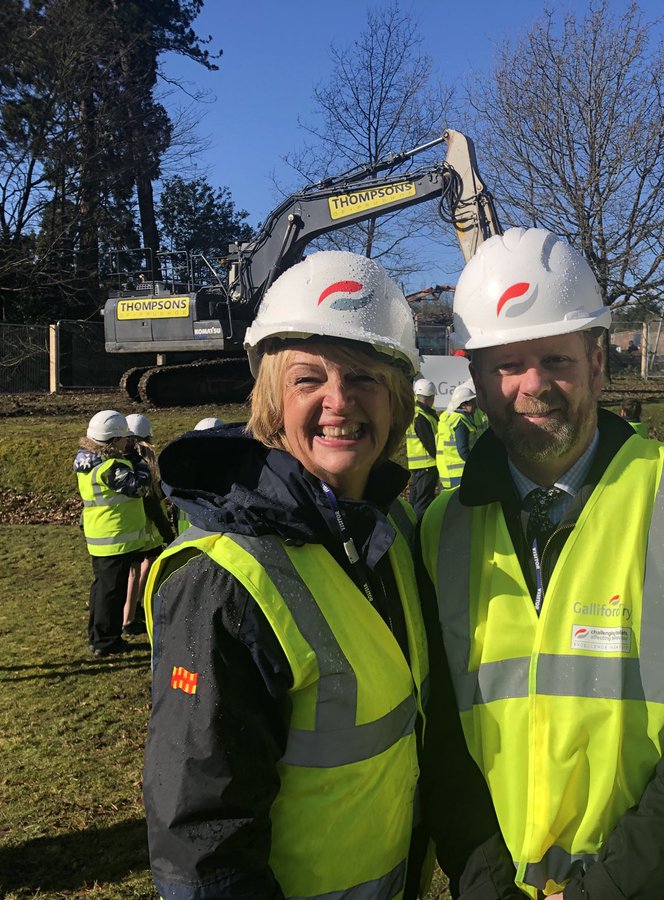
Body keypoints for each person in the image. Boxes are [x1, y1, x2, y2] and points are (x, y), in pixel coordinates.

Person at [419, 227, 664, 899]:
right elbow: (443, 747)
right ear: (475, 379)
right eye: (507, 364)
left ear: (598, 362)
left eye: (555, 359)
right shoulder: (443, 531)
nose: (533, 385)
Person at [143, 250, 430, 899]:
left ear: (397, 400)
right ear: (272, 398)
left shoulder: (391, 533)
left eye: (363, 377)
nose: (338, 401)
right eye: (309, 379)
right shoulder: (224, 581)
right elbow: (203, 846)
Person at [74, 410, 150, 656]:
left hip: (100, 536)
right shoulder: (109, 467)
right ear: (114, 440)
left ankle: (97, 636)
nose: (127, 443)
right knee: (111, 592)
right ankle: (106, 640)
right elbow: (140, 487)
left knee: (101, 589)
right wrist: (140, 463)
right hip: (115, 537)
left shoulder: (87, 460)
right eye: (123, 439)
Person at [121, 413, 174, 636]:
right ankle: (132, 613)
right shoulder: (145, 460)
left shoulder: (121, 460)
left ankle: (131, 611)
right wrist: (167, 531)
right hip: (147, 526)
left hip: (130, 523)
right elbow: (152, 498)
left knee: (135, 567)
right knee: (144, 564)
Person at [405, 377, 440, 518]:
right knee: (423, 502)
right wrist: (439, 458)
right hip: (427, 464)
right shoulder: (421, 416)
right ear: (430, 397)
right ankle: (420, 531)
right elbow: (429, 442)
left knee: (417, 499)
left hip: (419, 464)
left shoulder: (418, 413)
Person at [436, 380, 477, 490]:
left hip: (454, 471)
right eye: (473, 402)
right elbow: (463, 449)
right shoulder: (460, 421)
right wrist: (474, 464)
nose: (475, 404)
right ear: (463, 405)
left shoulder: (455, 417)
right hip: (460, 471)